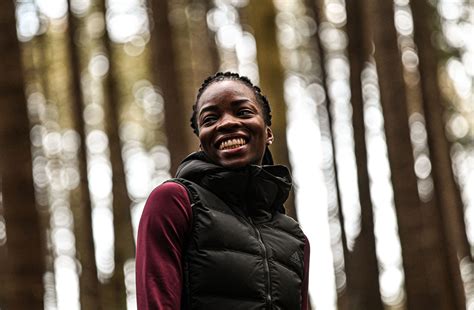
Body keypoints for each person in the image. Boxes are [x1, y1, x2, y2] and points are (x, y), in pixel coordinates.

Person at [136, 72, 310, 309]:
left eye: (243, 112)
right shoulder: (174, 201)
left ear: (268, 132)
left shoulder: (295, 238)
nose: (227, 123)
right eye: (209, 119)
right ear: (202, 141)